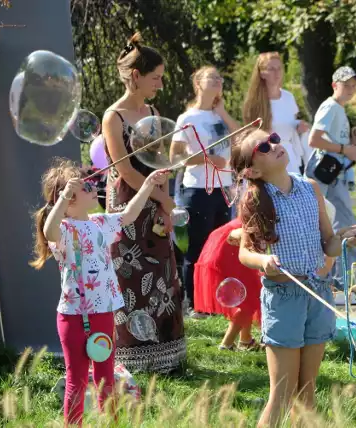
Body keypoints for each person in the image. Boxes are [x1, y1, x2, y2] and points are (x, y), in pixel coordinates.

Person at [231, 128, 356, 427]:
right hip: (284, 298)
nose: (275, 145)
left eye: (274, 138)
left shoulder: (310, 188)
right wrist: (263, 260)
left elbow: (328, 243)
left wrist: (346, 239)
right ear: (253, 169)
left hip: (318, 294)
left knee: (307, 392)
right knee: (281, 394)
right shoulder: (256, 199)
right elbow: (245, 252)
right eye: (264, 147)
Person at [30, 159, 167, 425]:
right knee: (77, 379)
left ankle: (111, 422)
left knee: (105, 377)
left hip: (103, 313)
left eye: (93, 183)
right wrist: (65, 194)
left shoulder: (99, 222)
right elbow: (49, 229)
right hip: (73, 316)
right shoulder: (64, 230)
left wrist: (148, 185)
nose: (94, 187)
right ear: (69, 200)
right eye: (86, 186)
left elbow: (128, 214)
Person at [102, 32, 186, 373]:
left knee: (162, 273)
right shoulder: (114, 117)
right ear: (136, 76)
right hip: (127, 204)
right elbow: (125, 170)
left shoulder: (152, 111)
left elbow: (159, 162)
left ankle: (167, 357)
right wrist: (161, 197)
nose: (161, 85)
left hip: (155, 198)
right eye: (156, 78)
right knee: (131, 274)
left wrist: (165, 202)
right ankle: (133, 357)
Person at [170, 66, 240, 319]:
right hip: (197, 190)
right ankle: (195, 304)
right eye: (212, 78)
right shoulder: (188, 118)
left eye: (220, 79)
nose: (218, 82)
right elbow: (175, 156)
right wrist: (206, 158)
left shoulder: (220, 115)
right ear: (198, 83)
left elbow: (241, 137)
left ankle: (216, 301)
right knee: (197, 248)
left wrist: (222, 112)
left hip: (222, 189)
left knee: (220, 248)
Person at [305, 66, 356, 287]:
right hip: (326, 176)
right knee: (342, 224)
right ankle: (345, 284)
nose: (350, 89)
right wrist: (344, 149)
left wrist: (352, 140)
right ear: (334, 85)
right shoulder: (330, 107)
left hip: (333, 176)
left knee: (335, 225)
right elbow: (314, 140)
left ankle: (340, 281)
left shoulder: (337, 108)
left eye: (353, 86)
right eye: (345, 85)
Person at [194, 217, 264, 351]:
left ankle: (245, 341)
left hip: (223, 244)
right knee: (250, 296)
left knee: (248, 294)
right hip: (229, 248)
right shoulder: (260, 219)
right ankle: (227, 344)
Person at [242, 52, 310, 175]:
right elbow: (251, 135)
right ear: (262, 73)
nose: (277, 73)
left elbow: (291, 123)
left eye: (279, 68)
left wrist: (299, 126)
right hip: (268, 157)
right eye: (271, 69)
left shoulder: (288, 97)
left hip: (289, 155)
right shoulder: (255, 102)